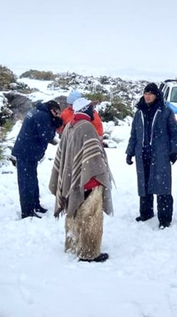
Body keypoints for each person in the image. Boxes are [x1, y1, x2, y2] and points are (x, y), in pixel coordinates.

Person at [49, 97, 113, 263]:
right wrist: (100, 176)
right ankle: (89, 251)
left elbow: (65, 156)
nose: (93, 110)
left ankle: (73, 243)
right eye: (90, 108)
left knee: (74, 211)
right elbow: (94, 159)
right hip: (89, 179)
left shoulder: (70, 125)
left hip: (73, 180)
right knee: (91, 216)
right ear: (85, 110)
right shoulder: (87, 127)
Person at [125, 82, 177, 229]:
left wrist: (174, 151)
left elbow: (174, 132)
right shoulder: (139, 112)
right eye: (146, 93)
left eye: (151, 93)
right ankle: (146, 213)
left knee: (162, 187)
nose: (148, 96)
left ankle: (165, 218)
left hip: (160, 154)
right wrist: (130, 152)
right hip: (142, 155)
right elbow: (134, 135)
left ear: (156, 95)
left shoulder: (165, 111)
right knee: (144, 185)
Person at [11, 100, 63, 219]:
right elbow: (46, 136)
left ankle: (35, 205)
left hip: (28, 151)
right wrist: (54, 125)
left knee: (32, 180)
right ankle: (27, 211)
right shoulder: (43, 116)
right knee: (26, 183)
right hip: (26, 153)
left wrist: (53, 122)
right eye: (56, 113)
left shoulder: (39, 111)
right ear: (52, 109)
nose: (57, 115)